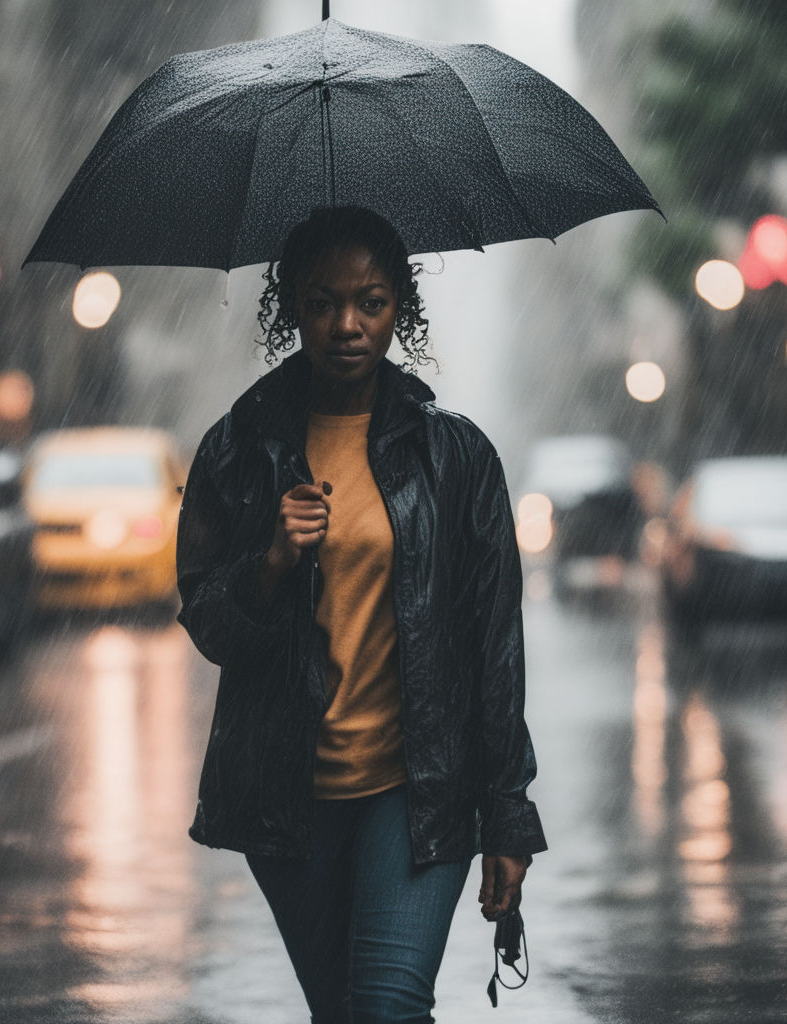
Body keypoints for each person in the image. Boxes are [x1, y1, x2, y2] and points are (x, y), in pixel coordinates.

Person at [176, 206, 546, 1023]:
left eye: (371, 302)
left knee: (386, 1005)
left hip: (420, 789)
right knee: (341, 1012)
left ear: (400, 308)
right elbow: (206, 623)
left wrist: (508, 813)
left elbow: (494, 648)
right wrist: (270, 565)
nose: (347, 323)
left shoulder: (456, 458)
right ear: (292, 308)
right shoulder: (237, 452)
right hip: (288, 792)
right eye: (323, 301)